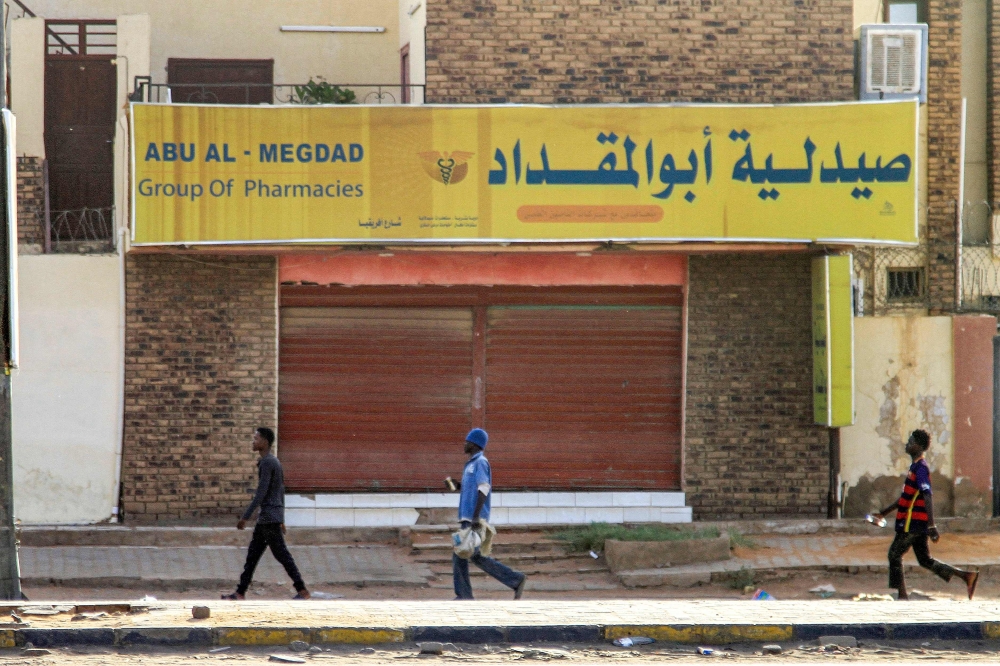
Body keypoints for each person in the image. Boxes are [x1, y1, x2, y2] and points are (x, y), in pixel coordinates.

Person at [872, 429, 978, 601]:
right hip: (914, 523)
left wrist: (931, 525)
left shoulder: (921, 468)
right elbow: (905, 498)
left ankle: (902, 596)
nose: (907, 443)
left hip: (912, 523)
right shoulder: (914, 468)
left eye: (911, 441)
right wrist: (883, 513)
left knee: (894, 554)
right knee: (925, 560)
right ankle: (966, 576)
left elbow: (927, 494)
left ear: (919, 447)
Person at [222, 427, 310, 600]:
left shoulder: (268, 463)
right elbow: (280, 490)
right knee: (253, 556)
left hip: (269, 519)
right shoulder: (273, 462)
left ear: (265, 442)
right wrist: (282, 518)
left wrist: (245, 516)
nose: (253, 442)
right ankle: (240, 592)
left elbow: (262, 493)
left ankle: (302, 590)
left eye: (256, 439)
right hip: (268, 518)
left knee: (282, 555)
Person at [447, 428, 526, 600]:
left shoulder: (480, 463)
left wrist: (476, 516)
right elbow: (472, 488)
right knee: (468, 555)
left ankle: (466, 595)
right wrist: (457, 485)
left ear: (475, 444)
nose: (464, 444)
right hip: (468, 517)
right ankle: (513, 580)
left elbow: (484, 488)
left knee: (463, 553)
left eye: (467, 441)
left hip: (474, 519)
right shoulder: (470, 464)